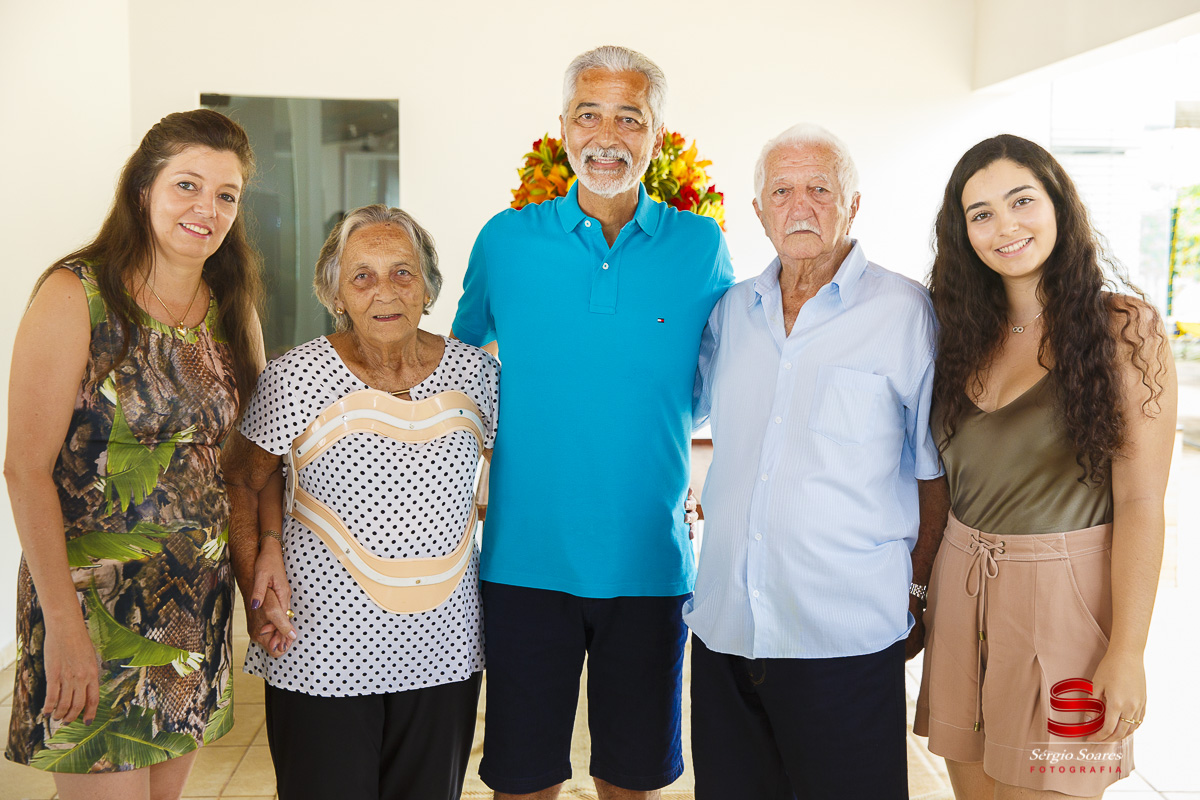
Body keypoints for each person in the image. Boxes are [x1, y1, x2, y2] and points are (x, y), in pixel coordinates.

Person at [452, 45, 733, 800]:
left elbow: (717, 382)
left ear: (657, 134)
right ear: (563, 127)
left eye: (628, 117)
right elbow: (456, 375)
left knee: (632, 780)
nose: (606, 134)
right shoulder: (505, 240)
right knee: (521, 778)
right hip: (524, 563)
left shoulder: (702, 247)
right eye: (589, 113)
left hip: (649, 564)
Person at [684, 123, 950, 800]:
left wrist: (916, 592)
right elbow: (677, 411)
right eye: (781, 190)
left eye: (819, 189)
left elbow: (932, 473)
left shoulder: (905, 312)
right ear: (758, 211)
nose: (799, 205)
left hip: (846, 638)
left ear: (853, 203)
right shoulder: (730, 312)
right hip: (726, 633)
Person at [3, 109, 264, 799]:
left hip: (191, 609)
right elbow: (25, 470)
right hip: (90, 608)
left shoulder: (230, 306)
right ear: (143, 190)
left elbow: (246, 465)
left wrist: (261, 566)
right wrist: (62, 628)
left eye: (226, 195)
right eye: (187, 185)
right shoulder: (76, 295)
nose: (206, 208)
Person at [914, 134, 1176, 799]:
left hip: (1066, 608)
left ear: (1060, 204)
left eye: (1021, 200)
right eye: (981, 213)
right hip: (961, 592)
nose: (1005, 226)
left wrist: (1127, 652)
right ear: (962, 231)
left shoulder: (1125, 331)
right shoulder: (956, 333)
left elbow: (1143, 505)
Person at [224, 204, 498, 800]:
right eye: (362, 275)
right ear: (336, 293)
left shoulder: (477, 374)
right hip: (319, 646)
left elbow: (519, 480)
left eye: (402, 272)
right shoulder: (296, 376)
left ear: (428, 286)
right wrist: (257, 582)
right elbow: (244, 479)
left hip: (443, 647)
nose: (385, 292)